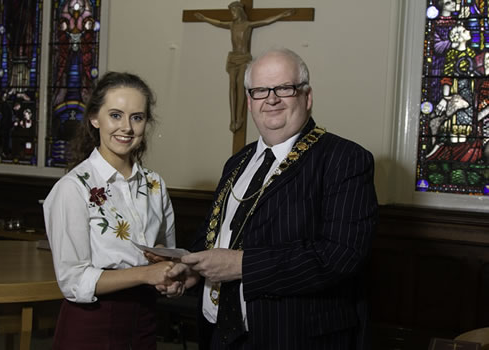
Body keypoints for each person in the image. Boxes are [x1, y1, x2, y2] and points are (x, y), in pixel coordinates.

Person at [161, 48, 378, 349]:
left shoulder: (344, 159)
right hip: (220, 333)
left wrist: (243, 265)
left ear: (307, 97)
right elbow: (215, 236)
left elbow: (341, 256)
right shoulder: (237, 162)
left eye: (284, 88)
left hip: (294, 337)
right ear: (250, 102)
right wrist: (191, 269)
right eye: (261, 90)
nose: (271, 99)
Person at [43, 71, 183, 350]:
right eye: (116, 115)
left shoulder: (155, 184)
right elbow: (74, 280)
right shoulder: (73, 188)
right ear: (95, 118)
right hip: (91, 324)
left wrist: (171, 276)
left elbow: (167, 253)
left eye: (137, 117)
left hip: (144, 321)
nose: (127, 128)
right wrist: (145, 274)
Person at [195, 2, 294, 133]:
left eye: (234, 12)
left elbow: (265, 21)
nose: (232, 15)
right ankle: (232, 118)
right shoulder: (231, 25)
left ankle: (239, 117)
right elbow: (218, 22)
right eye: (231, 12)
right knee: (232, 86)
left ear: (239, 11)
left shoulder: (247, 25)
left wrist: (282, 15)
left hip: (243, 58)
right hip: (233, 58)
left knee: (241, 86)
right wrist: (204, 18)